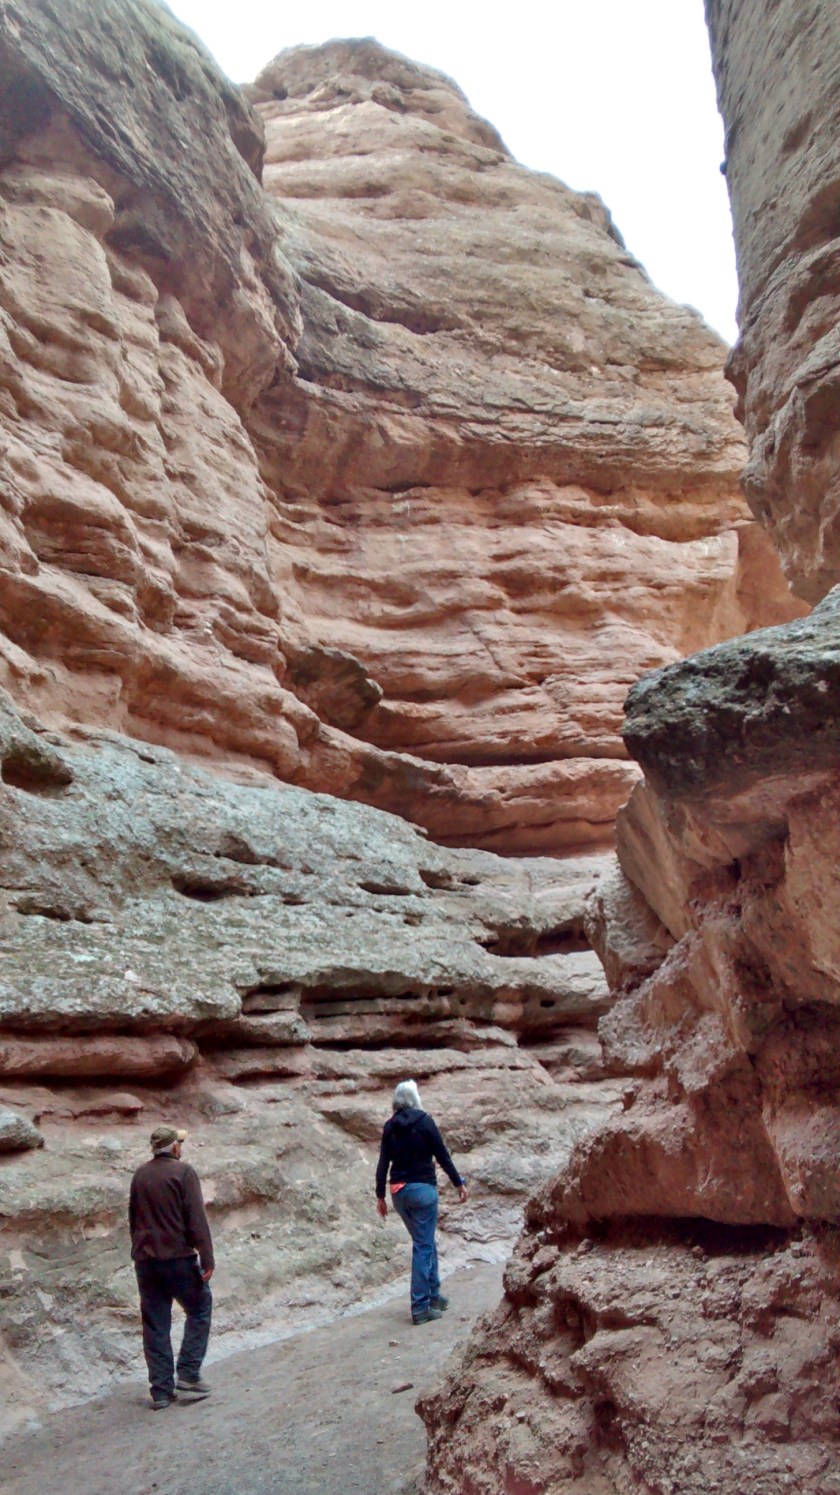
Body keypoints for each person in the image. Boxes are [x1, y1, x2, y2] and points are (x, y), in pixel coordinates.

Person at [129, 1124, 214, 1410]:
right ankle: (188, 1373)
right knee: (200, 1308)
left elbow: (134, 1220)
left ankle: (161, 1391)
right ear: (174, 1147)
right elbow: (196, 1218)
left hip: (145, 1261)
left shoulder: (140, 1175)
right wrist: (207, 1256)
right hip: (177, 1257)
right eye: (179, 1143)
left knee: (155, 1323)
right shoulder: (183, 1172)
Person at [375, 1080, 468, 1325]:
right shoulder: (424, 1121)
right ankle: (420, 1307)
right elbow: (442, 1154)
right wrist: (458, 1182)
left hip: (398, 1192)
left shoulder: (389, 1127)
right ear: (415, 1099)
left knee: (424, 1242)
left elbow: (383, 1163)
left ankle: (434, 1295)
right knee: (423, 1246)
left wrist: (380, 1196)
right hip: (423, 1192)